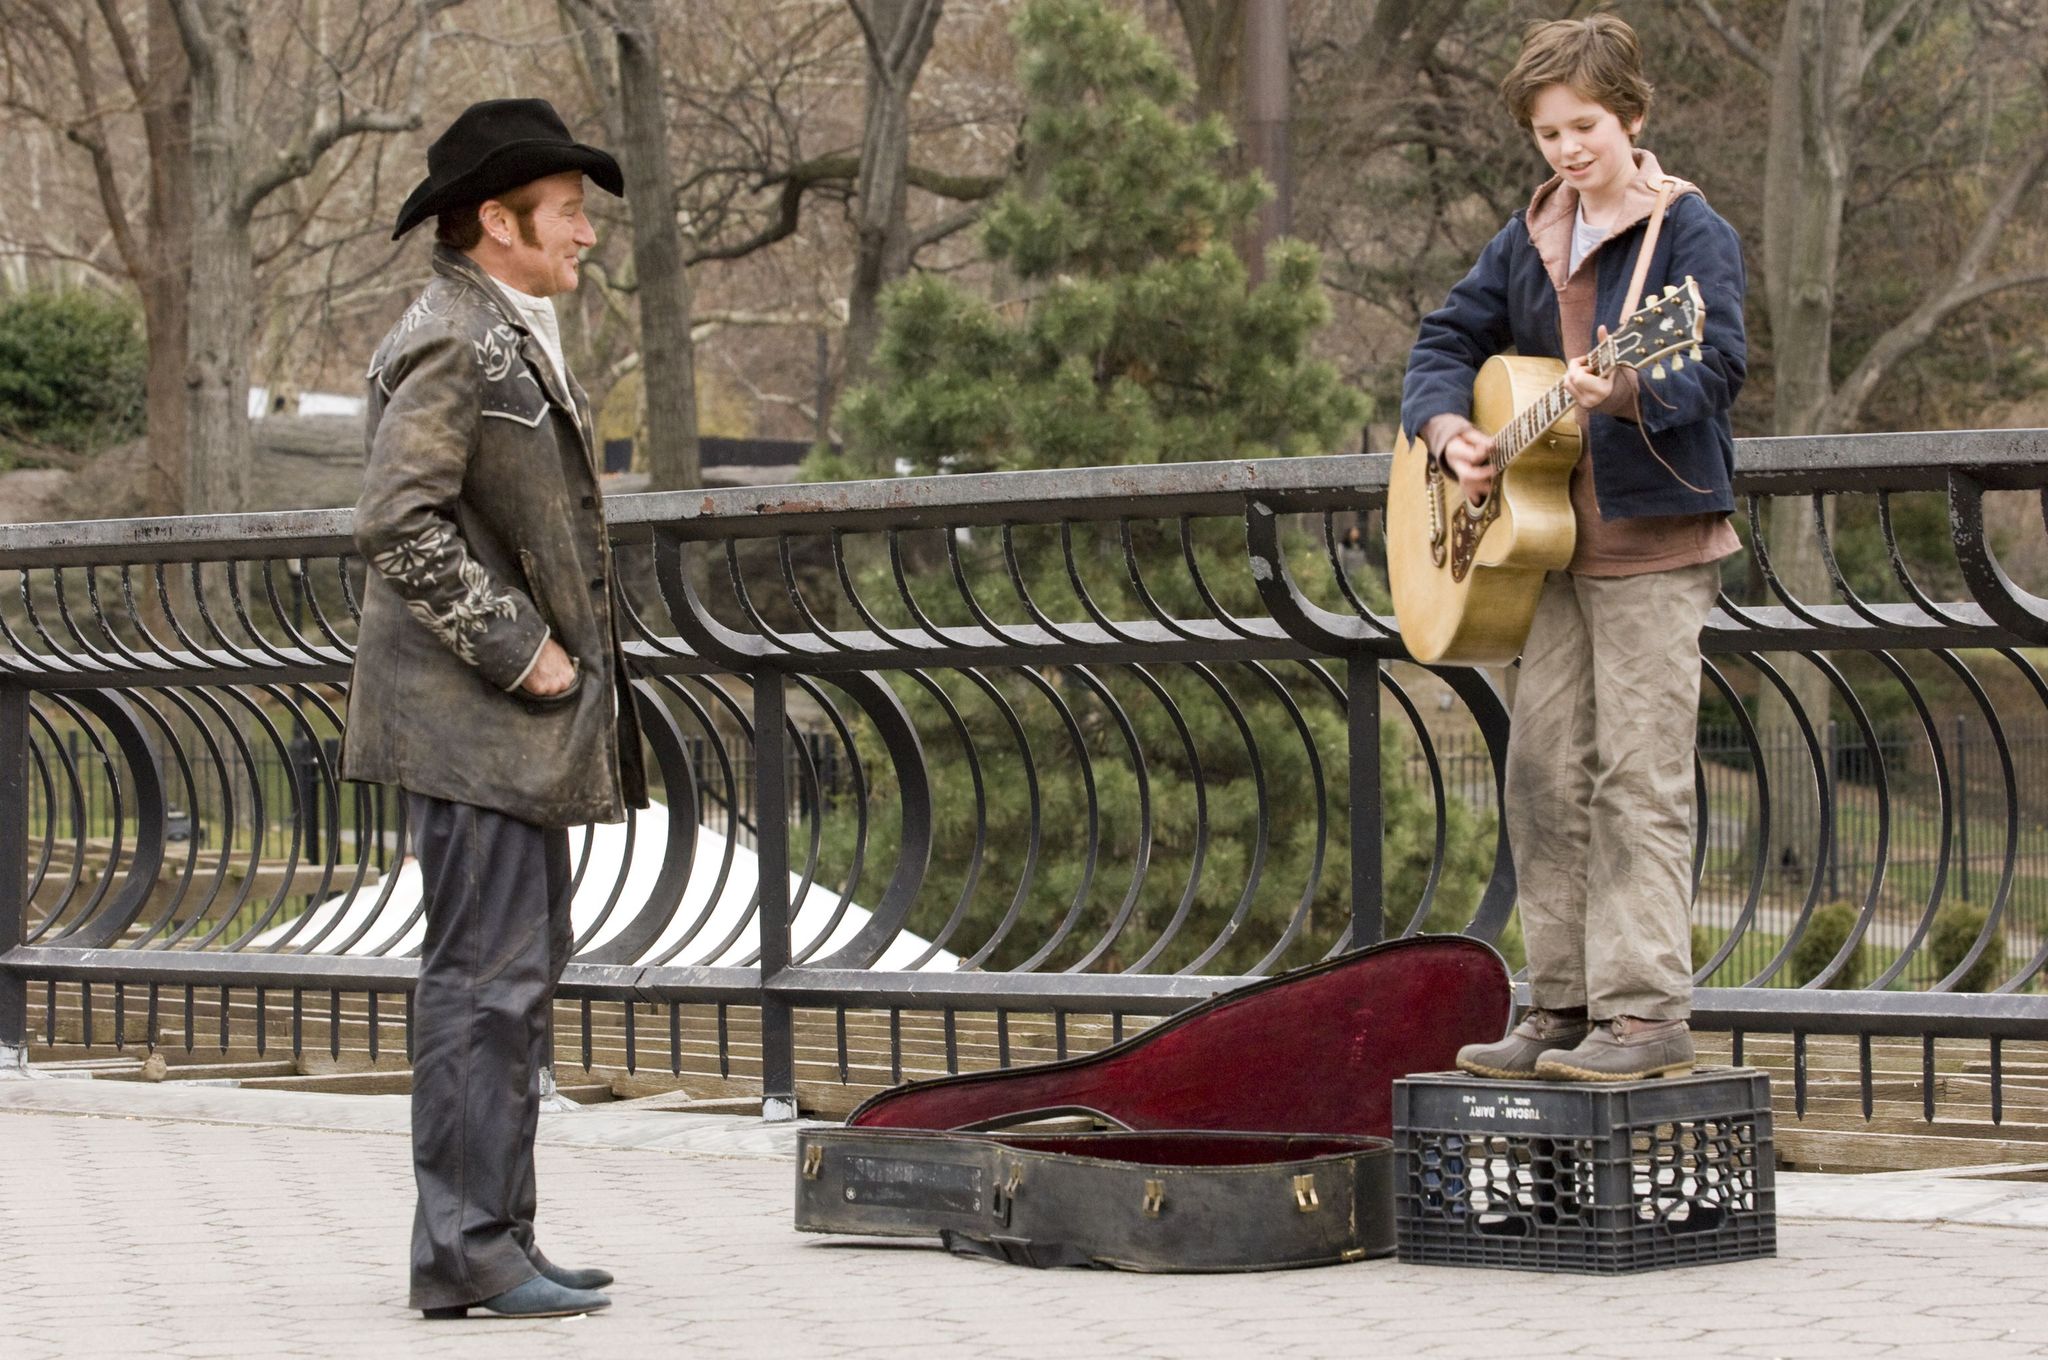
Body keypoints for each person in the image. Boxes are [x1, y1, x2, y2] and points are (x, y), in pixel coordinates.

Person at [344, 98, 648, 1318]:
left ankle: (492, 1239)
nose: (586, 235)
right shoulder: (456, 339)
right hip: (474, 721)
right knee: (483, 984)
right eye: (569, 214)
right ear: (496, 219)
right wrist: (525, 653)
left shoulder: (500, 328)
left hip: (497, 734)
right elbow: (395, 522)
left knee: (509, 979)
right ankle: (470, 1251)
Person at [1399, 15, 1747, 1082]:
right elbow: (1443, 340)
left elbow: (1719, 362)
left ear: (1630, 117)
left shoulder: (1687, 235)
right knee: (1544, 776)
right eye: (1547, 132)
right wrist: (1449, 429)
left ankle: (1642, 1015)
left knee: (1637, 783)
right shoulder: (1526, 234)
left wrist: (1630, 384)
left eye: (1583, 126)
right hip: (1537, 554)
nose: (1564, 149)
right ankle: (1557, 1004)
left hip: (1649, 545)